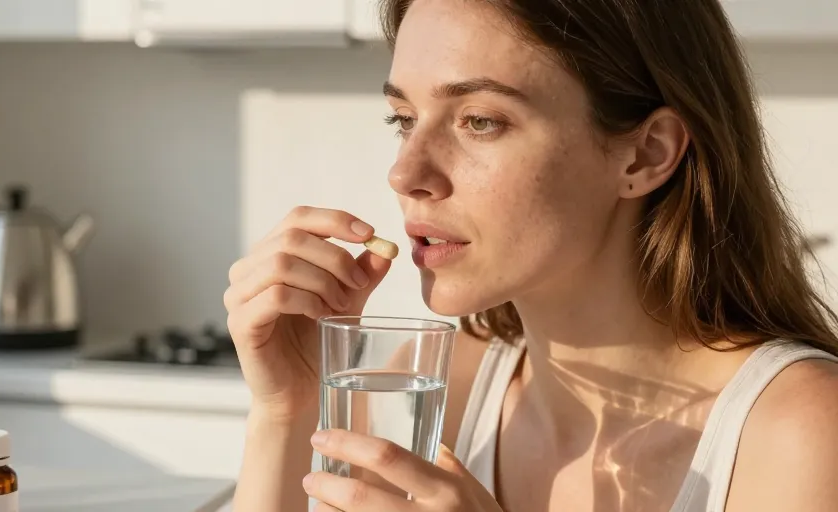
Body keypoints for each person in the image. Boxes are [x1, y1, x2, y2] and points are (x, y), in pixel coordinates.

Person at [222, 0, 838, 510]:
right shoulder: (440, 387)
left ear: (645, 154)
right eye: (403, 118)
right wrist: (287, 410)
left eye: (480, 121)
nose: (405, 172)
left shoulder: (803, 432)